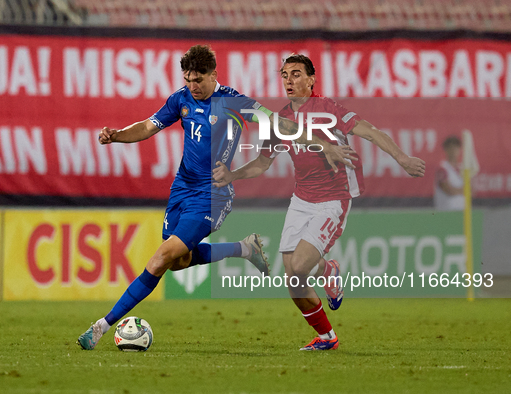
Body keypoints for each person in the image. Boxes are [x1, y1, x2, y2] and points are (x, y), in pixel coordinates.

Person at [77, 45, 355, 350]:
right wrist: (117, 135)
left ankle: (101, 326)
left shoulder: (231, 102)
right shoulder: (180, 99)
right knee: (178, 262)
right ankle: (245, 249)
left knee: (160, 258)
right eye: (188, 80)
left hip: (212, 196)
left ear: (214, 75)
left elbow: (279, 123)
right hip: (182, 190)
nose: (193, 86)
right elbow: (148, 125)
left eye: (198, 80)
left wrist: (322, 144)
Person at [213, 54, 426, 351]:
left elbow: (372, 133)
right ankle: (327, 336)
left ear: (312, 79)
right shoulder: (280, 121)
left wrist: (402, 159)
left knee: (299, 267)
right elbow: (263, 163)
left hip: (333, 199)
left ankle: (326, 271)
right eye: (285, 74)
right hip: (301, 199)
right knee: (292, 279)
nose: (289, 80)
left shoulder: (329, 110)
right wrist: (232, 175)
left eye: (296, 74)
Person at [434, 136, 465, 211]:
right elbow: (448, 190)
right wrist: (465, 190)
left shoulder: (463, 168)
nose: (453, 150)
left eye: (456, 148)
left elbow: (472, 191)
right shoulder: (442, 168)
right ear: (446, 149)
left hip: (463, 211)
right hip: (447, 212)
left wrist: (462, 190)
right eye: (451, 148)